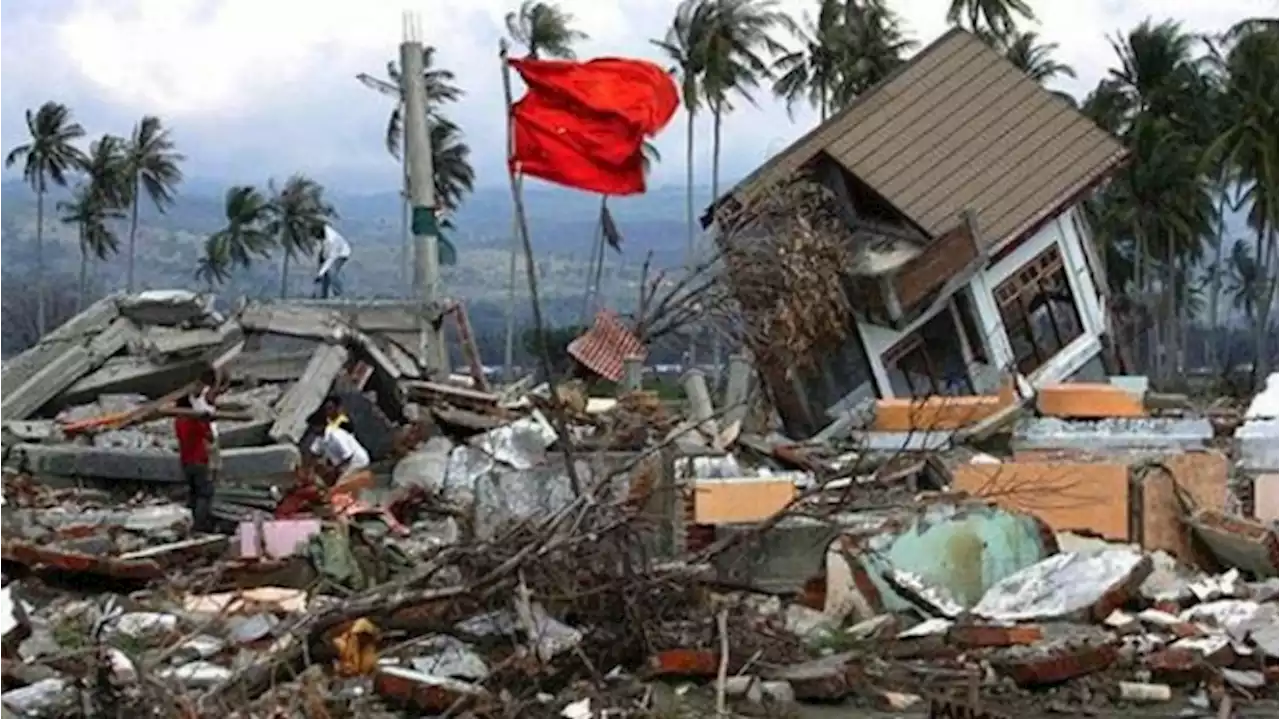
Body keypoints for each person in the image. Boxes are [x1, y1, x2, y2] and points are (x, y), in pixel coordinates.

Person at [174, 394, 216, 533]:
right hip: (199, 461)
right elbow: (210, 438)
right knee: (204, 494)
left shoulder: (178, 421)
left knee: (193, 494)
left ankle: (191, 523)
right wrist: (206, 422)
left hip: (186, 462)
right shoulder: (194, 421)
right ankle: (200, 525)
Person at [307, 408, 370, 491]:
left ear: (321, 425)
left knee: (339, 487)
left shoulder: (336, 435)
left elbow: (348, 457)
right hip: (341, 466)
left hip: (356, 462)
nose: (311, 430)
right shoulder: (319, 439)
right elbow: (314, 453)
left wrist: (333, 470)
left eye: (313, 427)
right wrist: (311, 470)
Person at [313, 221, 351, 298]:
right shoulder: (323, 233)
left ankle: (338, 294)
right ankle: (324, 295)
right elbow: (322, 246)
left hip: (341, 254)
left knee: (331, 272)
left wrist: (320, 274)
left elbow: (331, 259)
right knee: (326, 275)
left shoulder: (333, 240)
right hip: (330, 253)